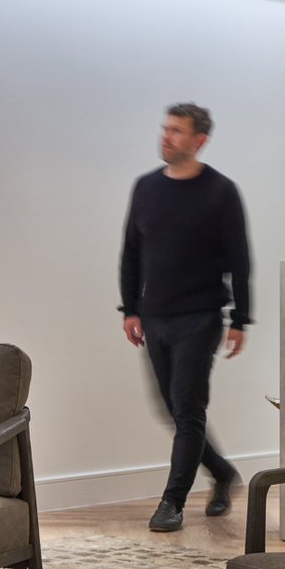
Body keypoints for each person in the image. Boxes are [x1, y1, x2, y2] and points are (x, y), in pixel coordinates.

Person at [118, 102, 252, 532]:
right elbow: (132, 251)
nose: (166, 136)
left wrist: (241, 318)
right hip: (154, 317)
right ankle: (223, 473)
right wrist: (130, 308)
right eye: (165, 128)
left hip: (200, 317)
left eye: (176, 130)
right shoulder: (145, 187)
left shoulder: (221, 191)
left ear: (199, 140)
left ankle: (172, 502)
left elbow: (240, 260)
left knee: (189, 411)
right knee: (172, 410)